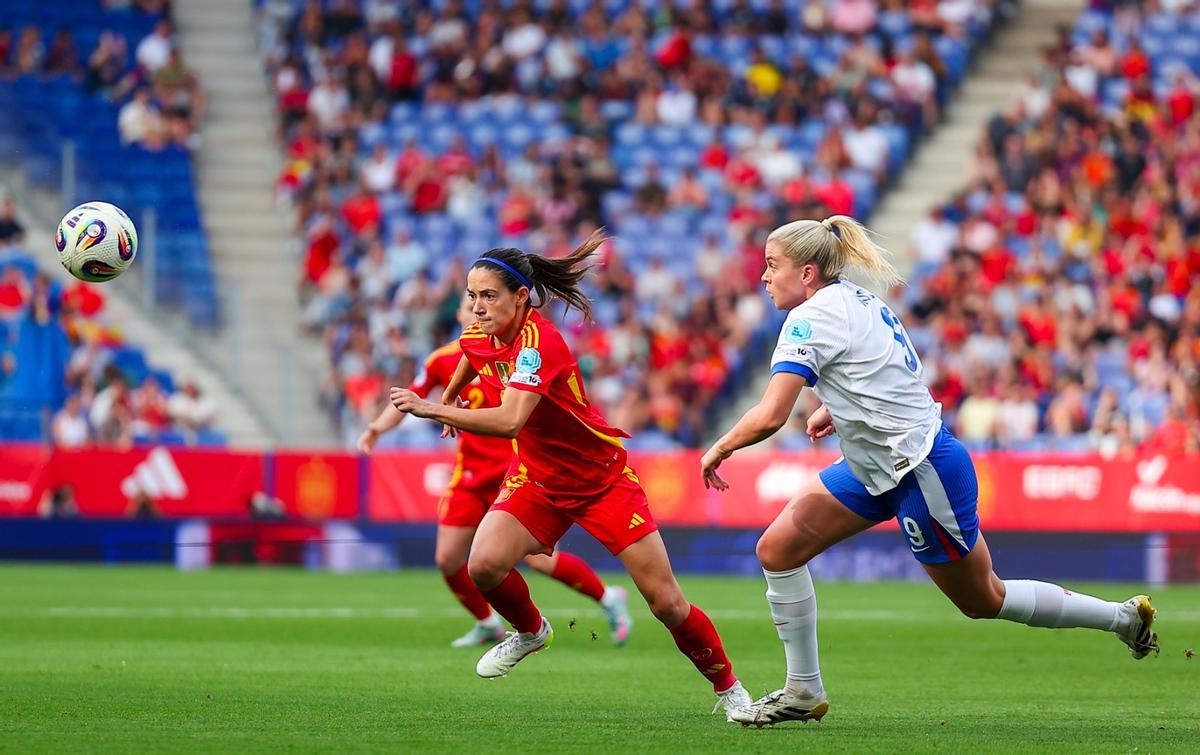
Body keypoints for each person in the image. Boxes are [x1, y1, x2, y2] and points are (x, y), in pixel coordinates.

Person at [701, 215, 1160, 727]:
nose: (763, 277)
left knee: (984, 597)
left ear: (807, 273)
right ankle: (803, 691)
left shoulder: (810, 318)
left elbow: (769, 415)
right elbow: (891, 366)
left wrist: (718, 447)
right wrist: (842, 406)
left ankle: (1121, 618)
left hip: (921, 472)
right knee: (778, 549)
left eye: (772, 266)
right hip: (874, 465)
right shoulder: (856, 299)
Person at [389, 232, 752, 717]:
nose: (476, 306)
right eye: (472, 295)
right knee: (483, 565)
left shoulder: (540, 345)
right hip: (537, 478)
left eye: (489, 295)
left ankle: (729, 689)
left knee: (666, 603)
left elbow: (509, 420)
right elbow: (470, 357)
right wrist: (453, 394)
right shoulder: (480, 332)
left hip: (600, 480)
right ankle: (531, 631)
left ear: (521, 297)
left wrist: (434, 410)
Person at [360, 295, 633, 648]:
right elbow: (409, 397)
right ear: (459, 314)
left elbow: (513, 419)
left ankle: (607, 597)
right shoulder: (443, 360)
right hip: (471, 475)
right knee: (447, 557)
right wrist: (378, 428)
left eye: (483, 299)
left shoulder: (518, 353)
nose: (475, 309)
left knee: (539, 562)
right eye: (468, 302)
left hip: (514, 471)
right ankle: (487, 623)